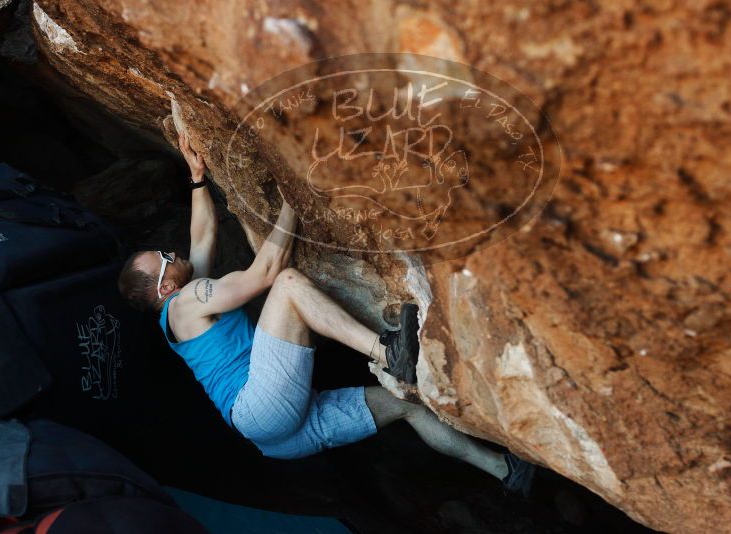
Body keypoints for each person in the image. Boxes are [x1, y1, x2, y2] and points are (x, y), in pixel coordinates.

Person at [117, 133, 536, 494]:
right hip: (259, 406)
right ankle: (390, 354)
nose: (170, 253)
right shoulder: (186, 303)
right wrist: (293, 195)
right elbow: (264, 273)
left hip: (275, 436)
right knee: (287, 286)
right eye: (163, 258)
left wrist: (197, 178)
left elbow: (203, 234)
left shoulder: (184, 304)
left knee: (407, 406)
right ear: (165, 288)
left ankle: (505, 472)